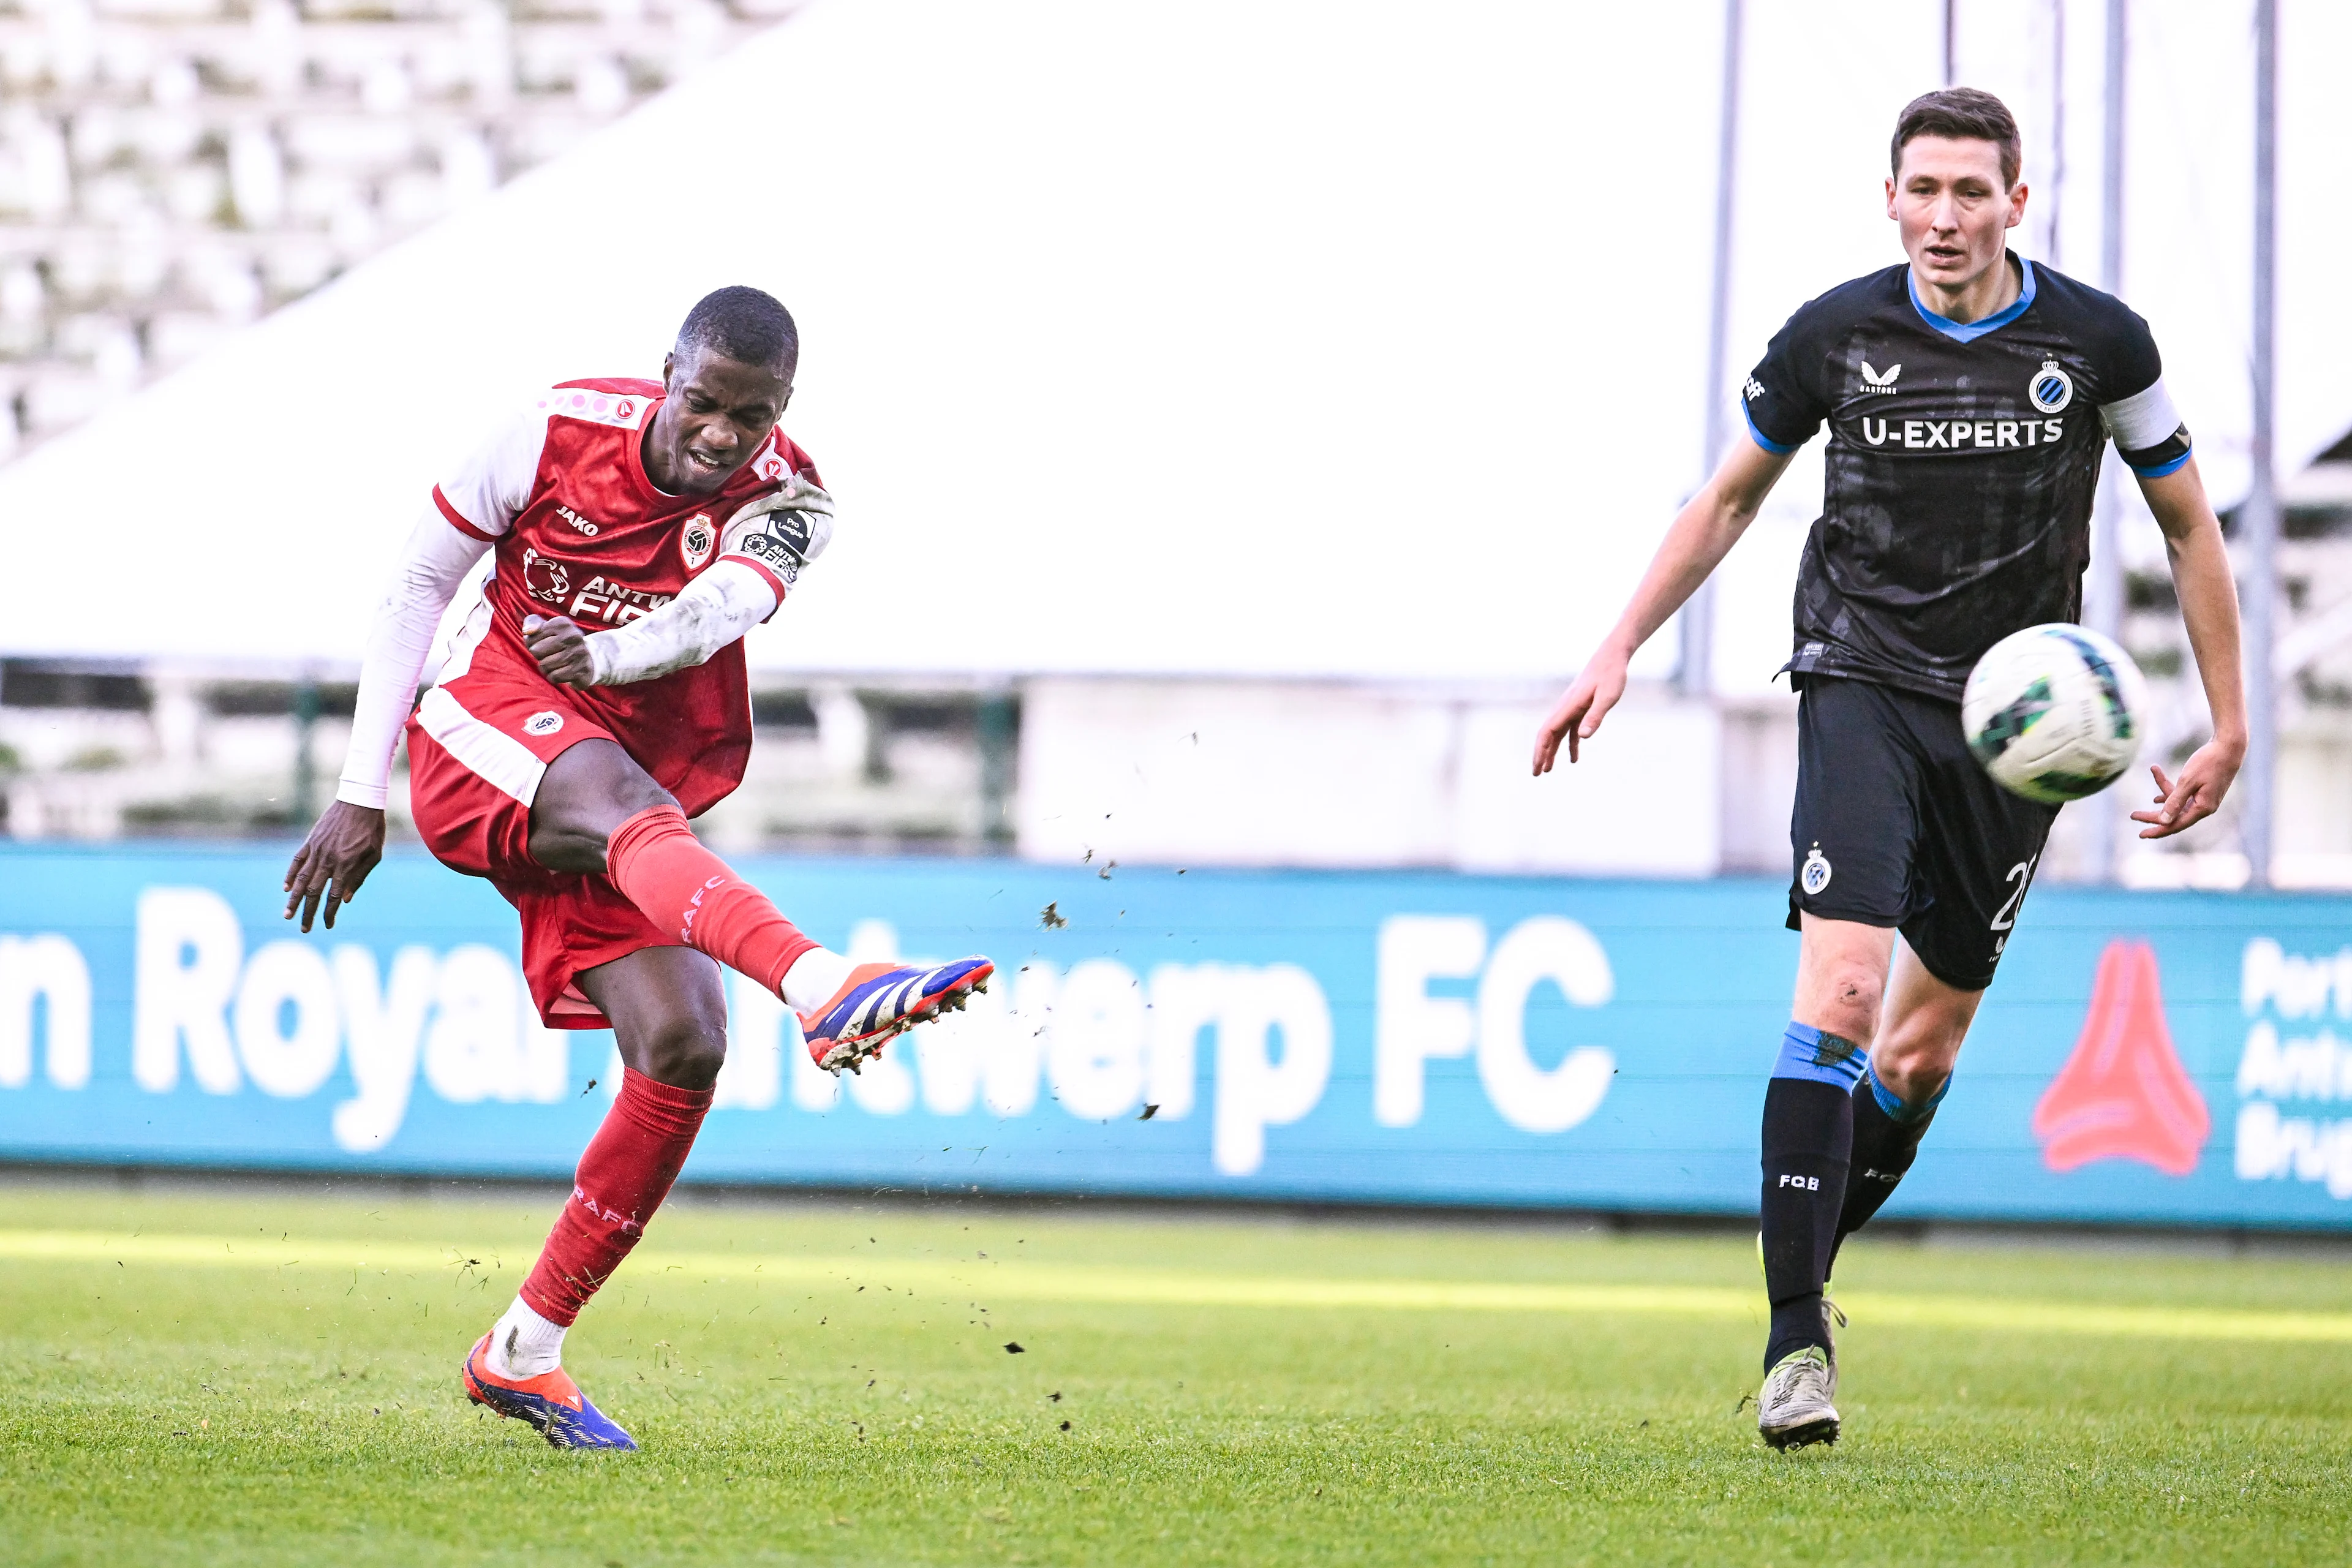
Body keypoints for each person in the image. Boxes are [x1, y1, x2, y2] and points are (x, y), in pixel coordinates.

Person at [1531, 89, 2245, 1449]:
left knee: (1918, 1051)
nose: (1945, 216)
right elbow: (1727, 496)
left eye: (1973, 192)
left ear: (2016, 204)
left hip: (2013, 734)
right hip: (1858, 681)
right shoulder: (1835, 335)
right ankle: (1798, 1336)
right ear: (1891, 196)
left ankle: (1801, 1248)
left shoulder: (2099, 341)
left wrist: (2229, 726)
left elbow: (2190, 525)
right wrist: (1617, 646)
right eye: (1923, 188)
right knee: (1849, 989)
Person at [281, 285, 993, 1450]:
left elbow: (714, 616)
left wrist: (606, 650)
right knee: (623, 805)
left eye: (751, 415)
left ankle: (523, 1351)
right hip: (487, 715)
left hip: (620, 783)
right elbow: (419, 582)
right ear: (669, 373)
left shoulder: (792, 499)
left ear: (784, 408)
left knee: (685, 1042)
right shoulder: (552, 430)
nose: (723, 434)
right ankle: (823, 988)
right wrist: (363, 792)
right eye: (706, 403)